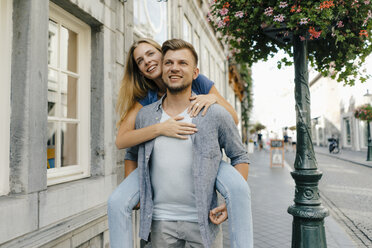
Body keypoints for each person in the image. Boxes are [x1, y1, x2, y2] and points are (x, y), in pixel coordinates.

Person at [107, 38, 252, 248]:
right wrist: (137, 193)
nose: (174, 68)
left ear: (194, 72)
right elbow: (129, 149)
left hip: (204, 222)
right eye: (169, 63)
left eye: (182, 63)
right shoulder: (145, 112)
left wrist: (213, 100)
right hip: (158, 223)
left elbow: (239, 153)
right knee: (116, 202)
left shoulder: (211, 106)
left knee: (231, 182)